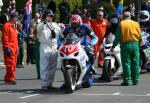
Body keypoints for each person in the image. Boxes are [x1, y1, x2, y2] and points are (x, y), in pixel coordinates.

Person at [60, 14, 98, 89]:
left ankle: (91, 66)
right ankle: (67, 81)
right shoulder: (68, 28)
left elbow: (95, 37)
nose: (74, 25)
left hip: (83, 45)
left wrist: (90, 44)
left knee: (90, 53)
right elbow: (61, 38)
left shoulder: (85, 27)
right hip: (71, 46)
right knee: (63, 59)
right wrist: (59, 45)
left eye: (75, 23)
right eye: (72, 23)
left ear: (79, 22)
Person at [111, 12, 142, 86]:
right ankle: (136, 80)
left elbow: (117, 37)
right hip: (135, 44)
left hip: (125, 45)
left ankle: (127, 81)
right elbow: (140, 36)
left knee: (126, 63)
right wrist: (138, 45)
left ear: (123, 17)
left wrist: (113, 46)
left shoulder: (121, 24)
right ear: (130, 16)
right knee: (135, 63)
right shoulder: (136, 23)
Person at [37, 9, 62, 90]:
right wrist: (45, 22)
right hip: (45, 46)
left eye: (51, 16)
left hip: (54, 47)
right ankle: (44, 84)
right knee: (44, 66)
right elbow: (39, 30)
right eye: (48, 16)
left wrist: (62, 27)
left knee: (52, 67)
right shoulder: (40, 25)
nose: (50, 18)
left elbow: (61, 33)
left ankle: (49, 84)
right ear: (44, 16)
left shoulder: (55, 25)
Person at [1, 13, 18, 85]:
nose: (16, 19)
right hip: (9, 48)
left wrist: (17, 48)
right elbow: (5, 38)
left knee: (13, 65)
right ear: (12, 18)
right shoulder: (6, 26)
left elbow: (15, 38)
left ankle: (7, 79)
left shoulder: (13, 26)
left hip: (14, 48)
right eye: (15, 18)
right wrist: (7, 47)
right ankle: (11, 79)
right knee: (10, 64)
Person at [31, 13, 41, 79]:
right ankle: (39, 74)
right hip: (37, 43)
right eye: (35, 16)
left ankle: (44, 74)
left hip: (44, 43)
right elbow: (32, 34)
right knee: (37, 60)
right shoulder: (34, 24)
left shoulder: (43, 24)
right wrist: (35, 39)